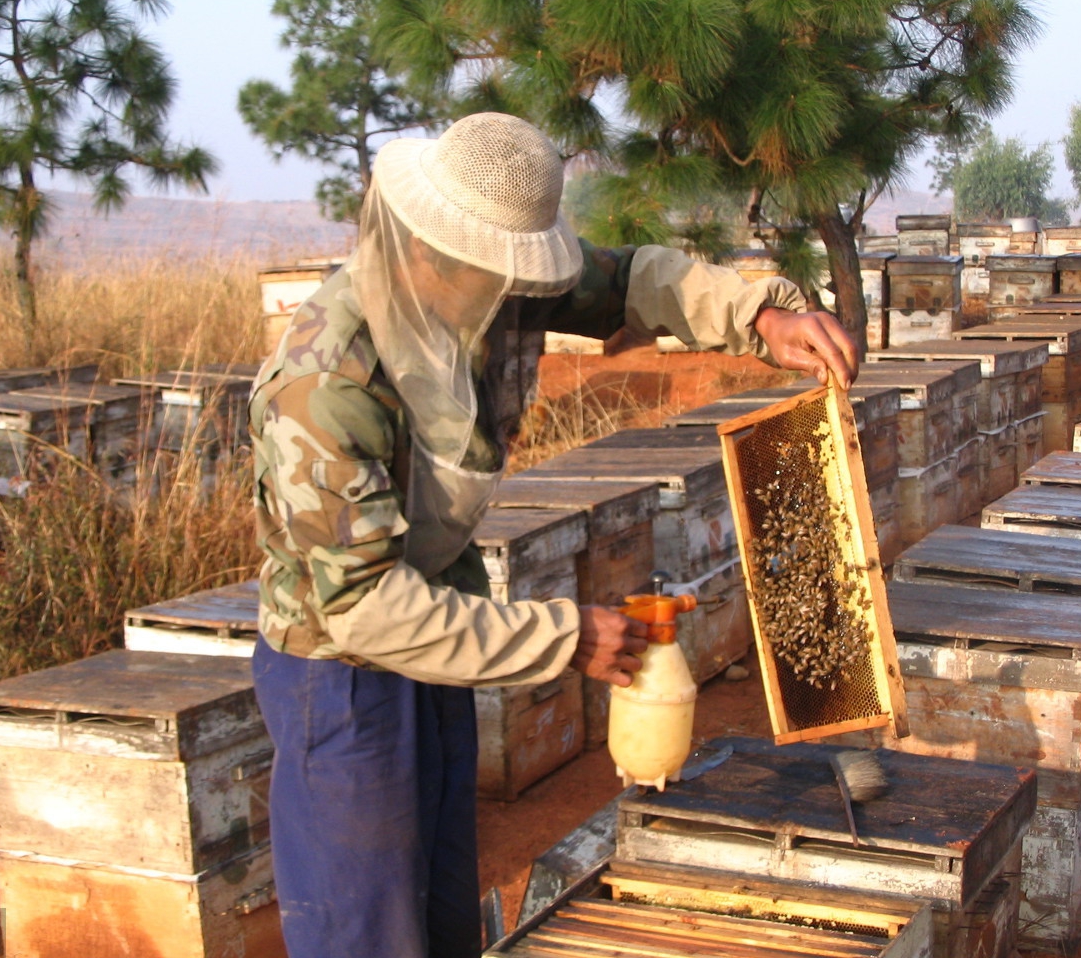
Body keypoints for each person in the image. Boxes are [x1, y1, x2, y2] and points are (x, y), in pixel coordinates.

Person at [248, 112, 859, 958]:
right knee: (368, 933)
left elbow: (629, 281)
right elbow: (360, 606)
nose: (518, 294)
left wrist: (758, 314)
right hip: (340, 669)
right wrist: (561, 636)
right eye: (496, 272)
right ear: (430, 246)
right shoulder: (323, 387)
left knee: (441, 912)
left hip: (440, 624)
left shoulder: (488, 278)